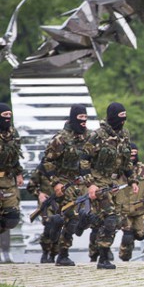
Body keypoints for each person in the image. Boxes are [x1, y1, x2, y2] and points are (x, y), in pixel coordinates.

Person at [80, 102, 139, 269]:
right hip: (98, 181)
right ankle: (103, 257)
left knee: (115, 218)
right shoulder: (98, 135)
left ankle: (88, 217)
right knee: (111, 218)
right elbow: (84, 160)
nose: (123, 121)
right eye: (120, 117)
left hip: (115, 183)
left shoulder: (124, 135)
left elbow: (126, 162)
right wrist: (90, 185)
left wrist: (132, 180)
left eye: (124, 117)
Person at [41, 104, 89, 266]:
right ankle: (60, 251)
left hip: (81, 184)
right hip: (64, 184)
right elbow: (47, 162)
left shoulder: (88, 137)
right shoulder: (61, 139)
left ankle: (60, 247)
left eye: (85, 117)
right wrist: (56, 183)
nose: (84, 121)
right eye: (80, 118)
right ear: (73, 118)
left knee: (81, 217)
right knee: (71, 217)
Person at [118, 142, 144, 261]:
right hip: (124, 208)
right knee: (128, 234)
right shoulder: (119, 169)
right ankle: (125, 257)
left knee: (140, 235)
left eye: (135, 153)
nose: (133, 156)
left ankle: (130, 243)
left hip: (139, 208)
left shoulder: (143, 169)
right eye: (131, 153)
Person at [0, 103, 24, 237]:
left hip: (8, 179)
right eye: (5, 115)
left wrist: (19, 173)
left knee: (12, 219)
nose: (8, 117)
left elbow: (15, 156)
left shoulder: (13, 133)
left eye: (10, 115)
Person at [27, 163, 57, 263]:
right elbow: (31, 186)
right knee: (49, 225)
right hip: (47, 203)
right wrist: (39, 194)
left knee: (60, 228)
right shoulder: (42, 168)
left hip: (63, 202)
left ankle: (54, 254)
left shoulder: (67, 168)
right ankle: (46, 252)